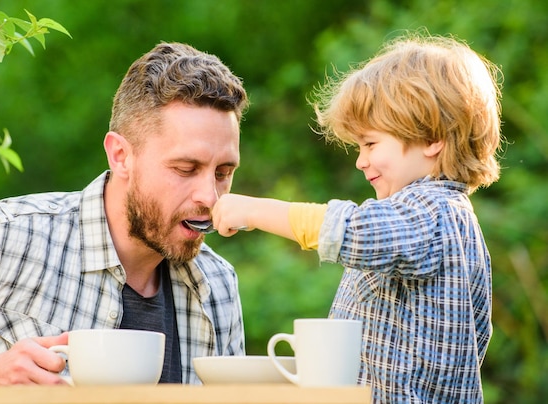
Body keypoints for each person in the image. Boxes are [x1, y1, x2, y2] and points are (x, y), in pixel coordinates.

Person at [0, 42, 249, 385]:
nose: (210, 197)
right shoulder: (0, 239)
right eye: (185, 168)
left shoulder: (219, 284)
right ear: (121, 156)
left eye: (223, 172)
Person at [212, 33, 502, 403]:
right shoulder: (440, 218)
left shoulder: (433, 212)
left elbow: (351, 231)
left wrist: (253, 210)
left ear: (431, 138)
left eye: (370, 144)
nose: (360, 160)